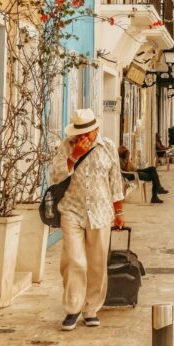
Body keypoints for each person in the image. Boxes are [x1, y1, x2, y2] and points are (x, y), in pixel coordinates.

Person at [50, 108, 124, 332]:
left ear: (95, 130)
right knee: (75, 261)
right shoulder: (66, 146)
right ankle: (72, 308)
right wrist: (73, 157)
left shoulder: (108, 146)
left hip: (101, 211)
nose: (82, 138)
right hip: (72, 210)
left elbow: (115, 181)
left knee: (97, 262)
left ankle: (91, 309)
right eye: (78, 134)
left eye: (86, 134)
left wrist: (119, 211)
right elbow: (55, 177)